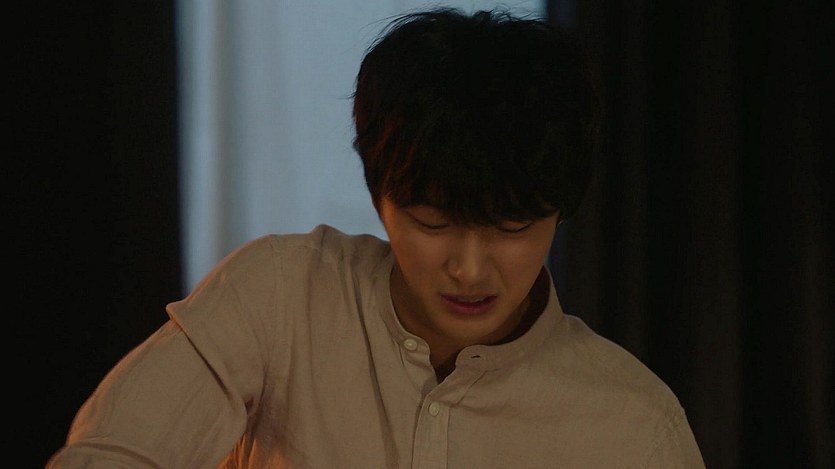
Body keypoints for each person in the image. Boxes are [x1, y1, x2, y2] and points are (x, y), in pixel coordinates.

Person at [47, 7, 705, 468]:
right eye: (432, 223)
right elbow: (111, 453)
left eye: (510, 228)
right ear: (377, 194)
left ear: (561, 211)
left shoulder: (632, 424)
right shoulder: (282, 296)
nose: (469, 269)